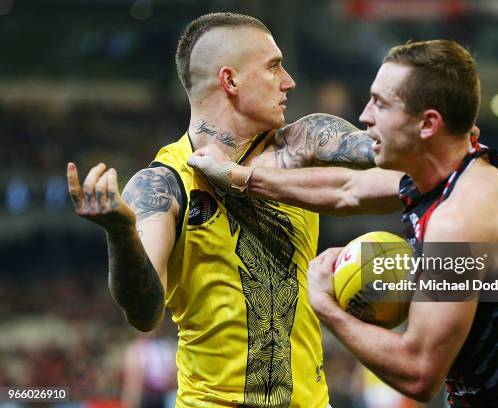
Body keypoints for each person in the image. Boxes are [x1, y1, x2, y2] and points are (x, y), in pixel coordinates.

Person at [191, 40, 498, 407]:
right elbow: (348, 188)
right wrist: (238, 178)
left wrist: (326, 306)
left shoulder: (461, 222)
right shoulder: (455, 167)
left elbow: (419, 373)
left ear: (428, 124)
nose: (364, 116)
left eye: (380, 104)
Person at [66, 12, 376, 408]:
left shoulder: (305, 144)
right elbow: (143, 314)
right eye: (273, 67)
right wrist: (120, 234)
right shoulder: (163, 183)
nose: (289, 82)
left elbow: (389, 160)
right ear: (230, 80)